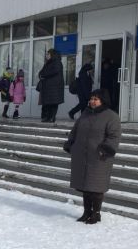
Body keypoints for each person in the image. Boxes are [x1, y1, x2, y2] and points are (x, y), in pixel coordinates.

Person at [63, 89, 121, 225]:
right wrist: (71, 143)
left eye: (96, 99)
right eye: (91, 98)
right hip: (82, 155)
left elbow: (114, 136)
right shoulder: (85, 114)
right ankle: (86, 212)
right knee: (85, 186)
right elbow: (74, 131)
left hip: (99, 157)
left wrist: (105, 149)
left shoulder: (111, 116)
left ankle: (96, 214)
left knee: (96, 187)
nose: (92, 101)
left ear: (103, 101)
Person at [38, 49, 64, 123]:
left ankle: (52, 118)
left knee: (53, 103)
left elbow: (54, 71)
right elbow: (42, 72)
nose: (46, 56)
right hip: (48, 87)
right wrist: (40, 75)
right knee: (48, 103)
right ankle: (47, 117)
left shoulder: (57, 62)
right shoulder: (48, 63)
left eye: (48, 54)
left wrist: (43, 75)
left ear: (52, 55)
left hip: (55, 87)